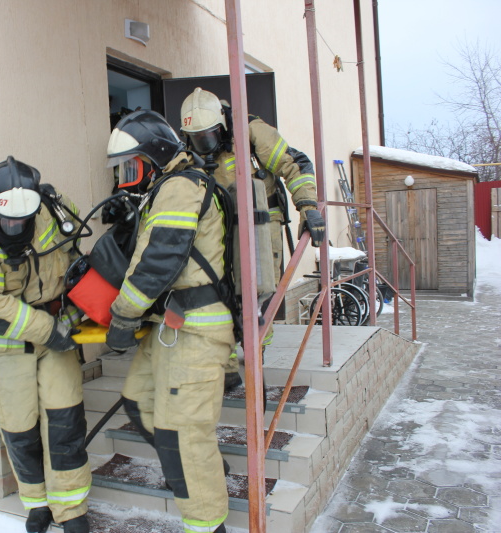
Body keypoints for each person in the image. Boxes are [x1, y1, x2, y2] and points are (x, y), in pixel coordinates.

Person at [105, 109, 235, 533]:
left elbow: (159, 260)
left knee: (183, 438)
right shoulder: (167, 189)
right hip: (170, 326)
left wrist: (122, 317)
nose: (127, 178)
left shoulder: (179, 187)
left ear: (156, 157)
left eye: (132, 167)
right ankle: (201, 467)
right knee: (139, 402)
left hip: (194, 329)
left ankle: (206, 523)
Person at [0, 156, 91, 533]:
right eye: (7, 221)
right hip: (6, 345)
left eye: (22, 220)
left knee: (66, 423)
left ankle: (71, 508)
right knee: (20, 430)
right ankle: (37, 503)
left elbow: (75, 246)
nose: (15, 226)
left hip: (57, 333)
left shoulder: (49, 209)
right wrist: (48, 329)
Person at [179, 87, 325, 389]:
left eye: (208, 137)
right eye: (197, 139)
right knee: (219, 290)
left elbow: (295, 164)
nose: (204, 145)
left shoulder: (250, 132)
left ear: (221, 125)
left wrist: (308, 207)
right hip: (219, 226)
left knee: (258, 291)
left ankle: (256, 352)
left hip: (261, 223)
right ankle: (230, 364)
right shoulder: (189, 150)